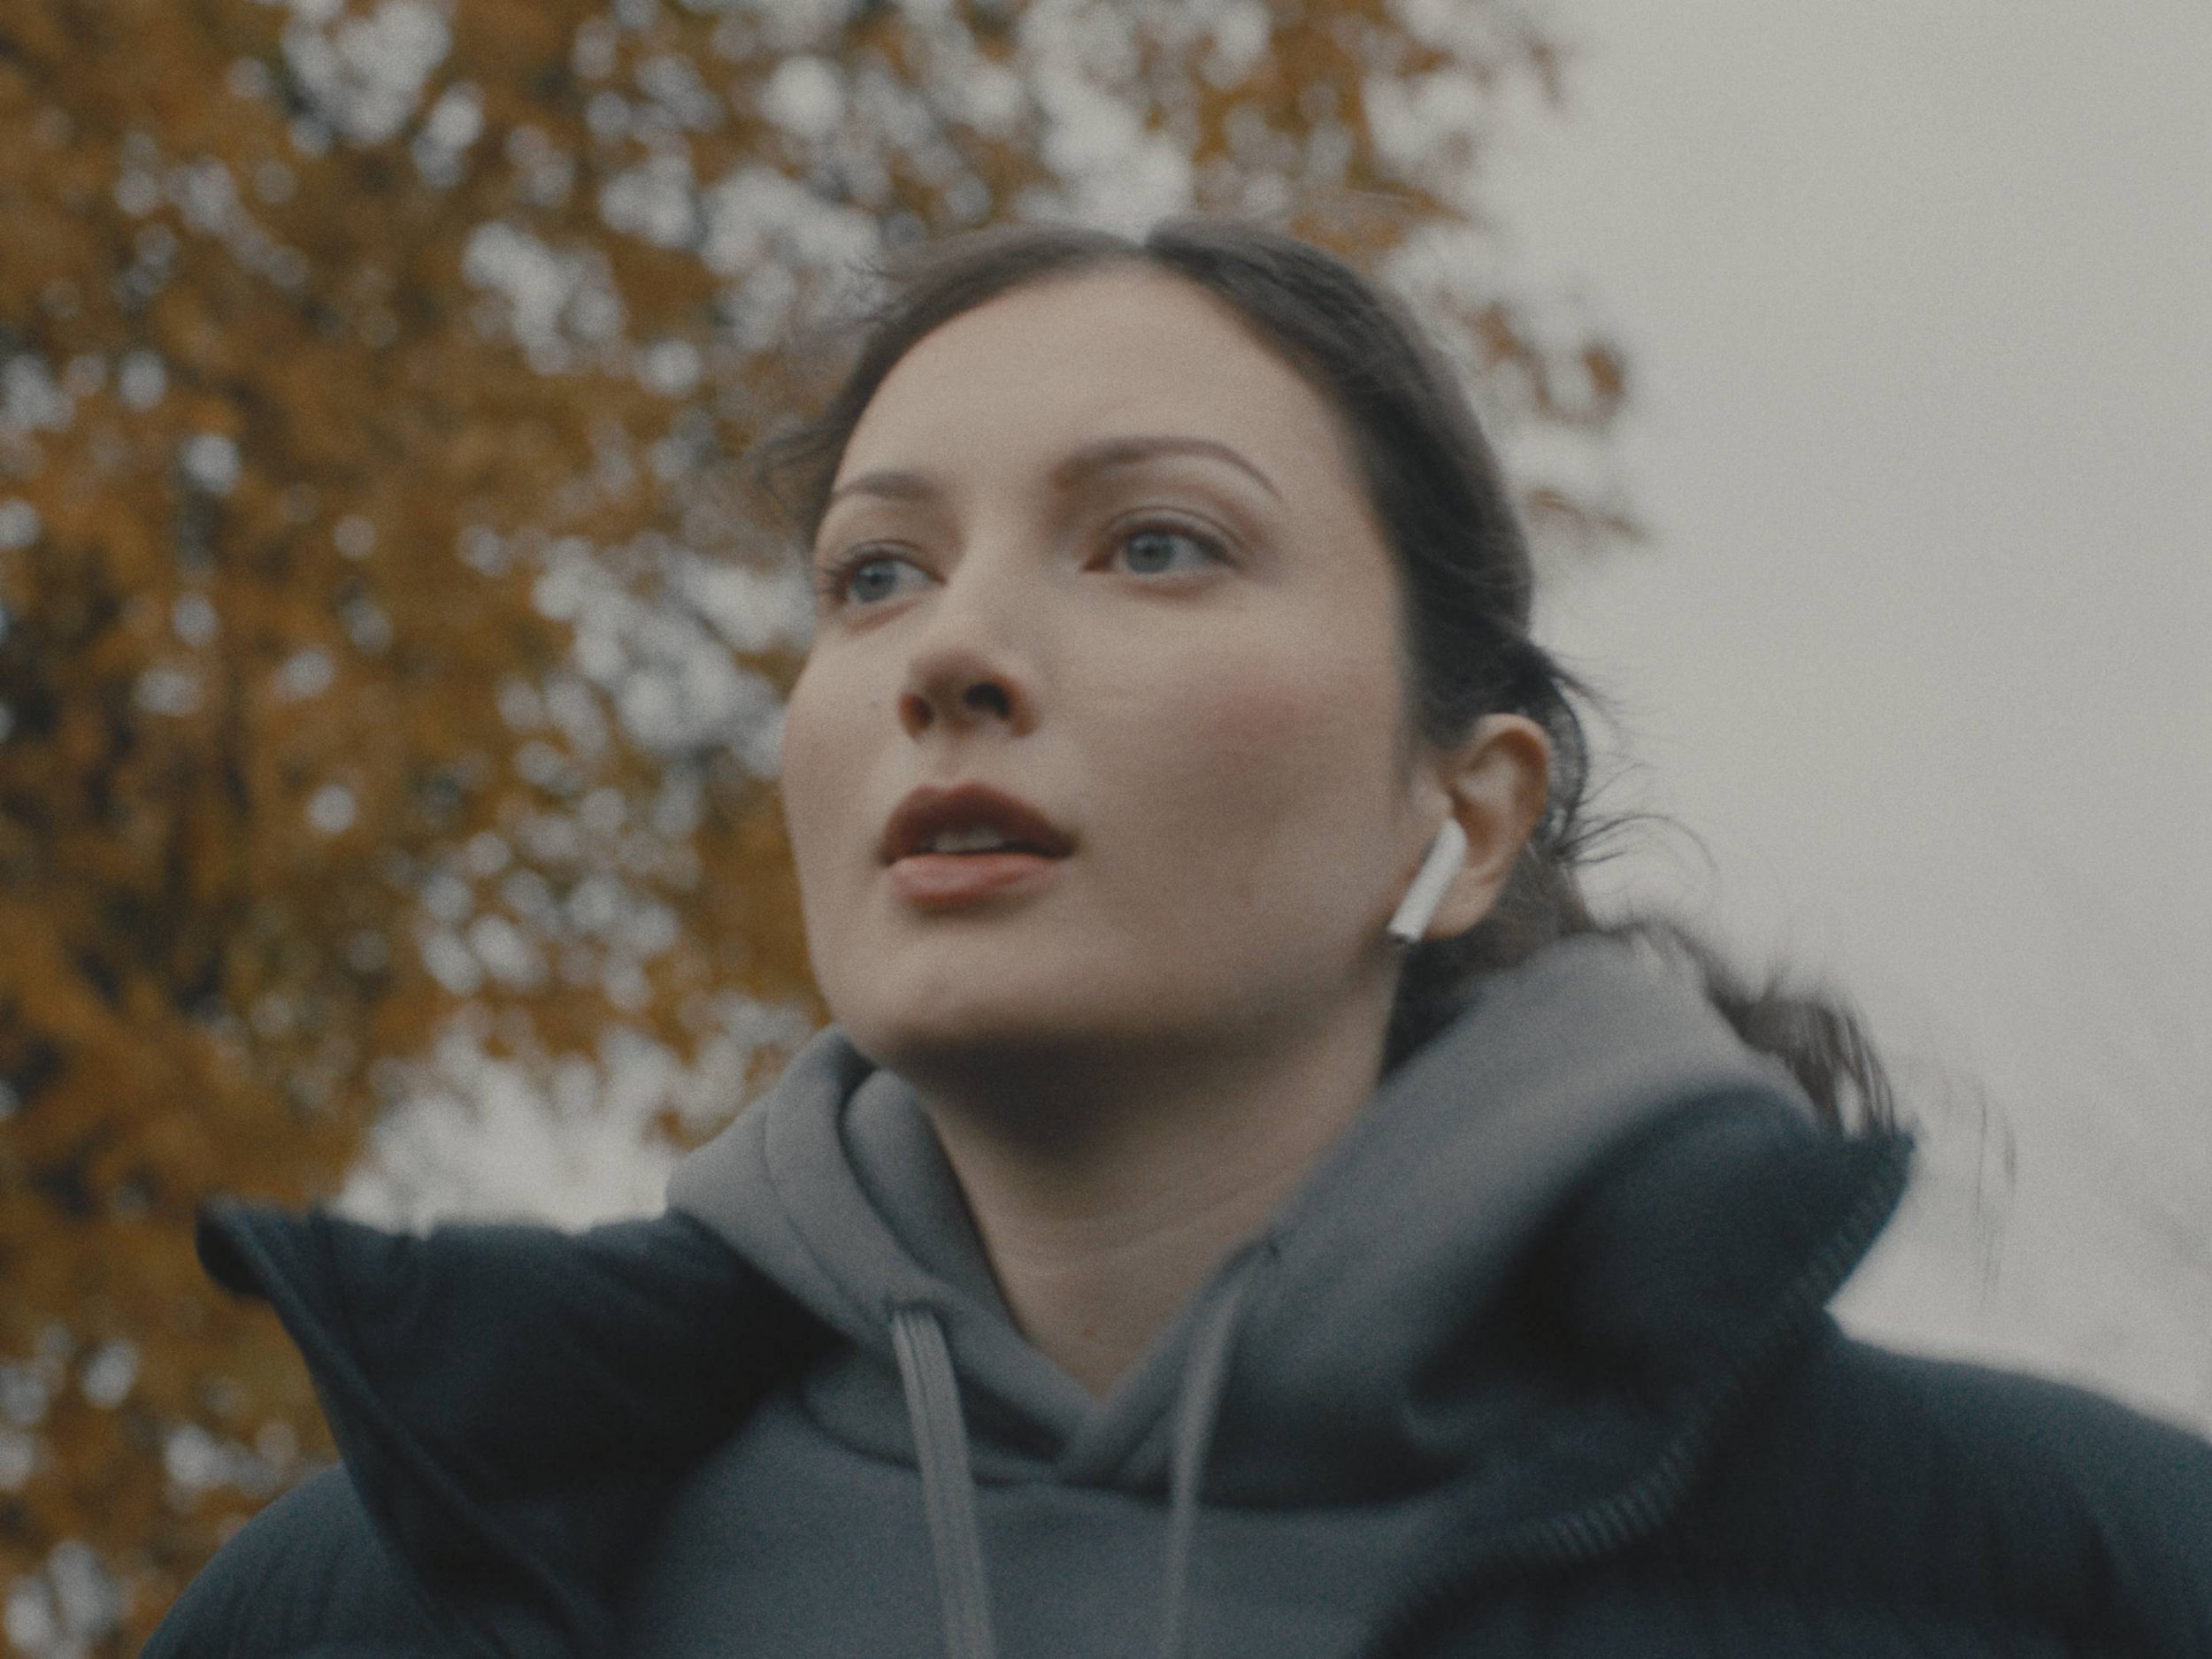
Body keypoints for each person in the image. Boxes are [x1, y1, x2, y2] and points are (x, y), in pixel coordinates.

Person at [147, 219, 2212, 1659]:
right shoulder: (360, 1601)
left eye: (1155, 543)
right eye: (872, 573)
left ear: (1467, 806)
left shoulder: (2073, 1575)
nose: (948, 647)